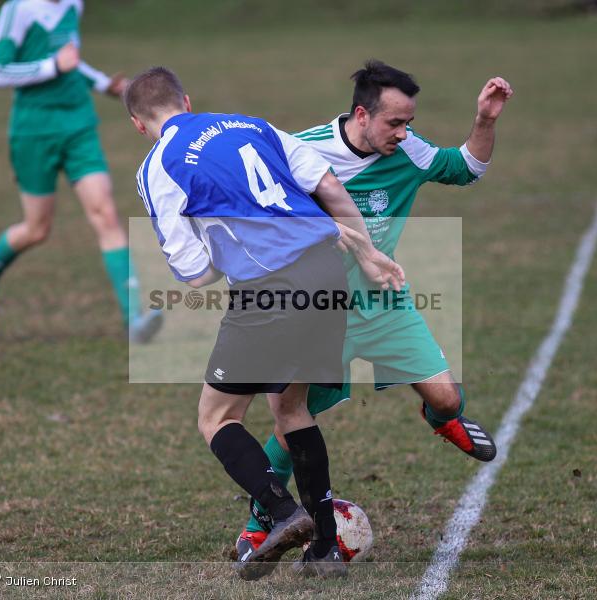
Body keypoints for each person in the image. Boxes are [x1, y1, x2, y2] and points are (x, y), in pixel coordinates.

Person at [124, 66, 405, 579]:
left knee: (217, 417)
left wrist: (220, 249)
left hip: (268, 289)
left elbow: (193, 274)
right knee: (291, 407)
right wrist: (366, 254)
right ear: (187, 101)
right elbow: (328, 186)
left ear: (140, 126)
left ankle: (281, 512)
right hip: (326, 267)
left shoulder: (157, 166)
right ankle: (323, 550)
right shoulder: (251, 125)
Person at [235, 61, 513, 561]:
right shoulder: (303, 151)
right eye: (395, 123)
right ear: (362, 114)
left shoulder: (408, 148)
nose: (404, 133)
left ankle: (441, 418)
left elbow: (467, 168)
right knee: (291, 422)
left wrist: (485, 121)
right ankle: (262, 522)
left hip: (385, 301)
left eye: (408, 122)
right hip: (319, 311)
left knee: (449, 399)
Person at [0, 0, 163, 341]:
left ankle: (134, 319)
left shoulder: (74, 4)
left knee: (106, 214)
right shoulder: (18, 10)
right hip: (34, 130)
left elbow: (71, 60)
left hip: (78, 124)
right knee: (37, 229)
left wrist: (104, 84)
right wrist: (51, 66)